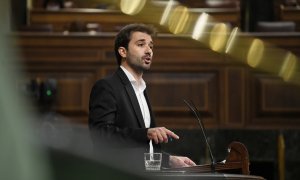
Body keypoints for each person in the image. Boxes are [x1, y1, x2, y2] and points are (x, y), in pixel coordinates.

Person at [89, 23, 196, 170]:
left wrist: (169, 160)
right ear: (123, 51)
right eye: (141, 44)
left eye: (151, 46)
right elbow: (101, 135)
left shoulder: (142, 89)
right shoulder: (107, 86)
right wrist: (146, 133)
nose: (149, 51)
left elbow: (142, 150)